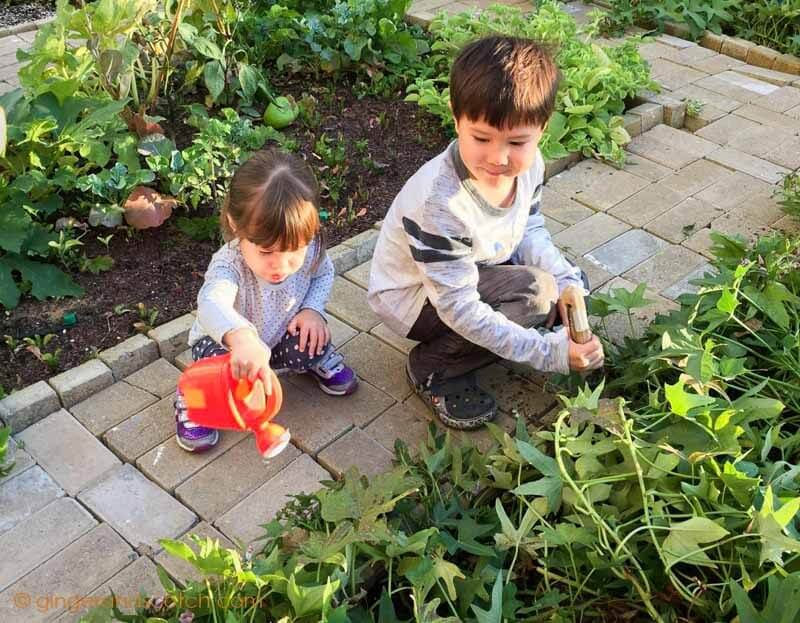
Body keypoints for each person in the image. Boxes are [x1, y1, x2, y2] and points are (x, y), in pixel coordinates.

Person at [368, 35, 604, 431]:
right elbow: (459, 309)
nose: (498, 157)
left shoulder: (529, 167)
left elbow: (529, 226)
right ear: (455, 116)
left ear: (541, 128)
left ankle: (529, 316)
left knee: (562, 285)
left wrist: (567, 282)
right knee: (534, 298)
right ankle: (433, 367)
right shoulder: (441, 204)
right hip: (415, 300)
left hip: (470, 268)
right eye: (481, 138)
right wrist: (550, 354)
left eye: (517, 142)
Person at [175, 148, 358, 452]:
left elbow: (323, 274)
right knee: (212, 369)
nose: (281, 265)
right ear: (236, 225)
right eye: (266, 252)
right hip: (227, 349)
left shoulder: (307, 244)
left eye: (293, 251)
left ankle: (310, 362)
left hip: (273, 343)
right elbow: (211, 304)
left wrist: (313, 310)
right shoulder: (229, 265)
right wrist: (242, 340)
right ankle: (190, 399)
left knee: (313, 338)